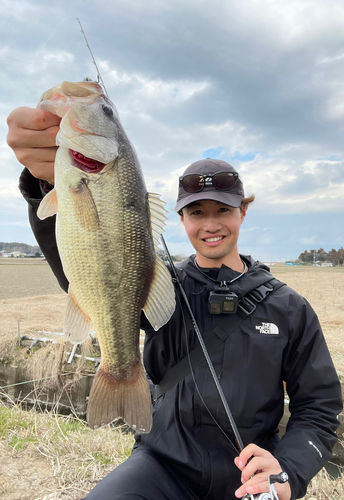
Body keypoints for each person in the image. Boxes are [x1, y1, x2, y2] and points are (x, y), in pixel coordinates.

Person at [7, 107, 343, 500]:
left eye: (223, 210)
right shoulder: (160, 283)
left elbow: (319, 406)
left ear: (244, 211)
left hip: (248, 476)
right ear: (182, 218)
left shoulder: (289, 307)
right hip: (159, 465)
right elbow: (90, 271)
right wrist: (44, 186)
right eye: (197, 212)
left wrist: (288, 469)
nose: (211, 224)